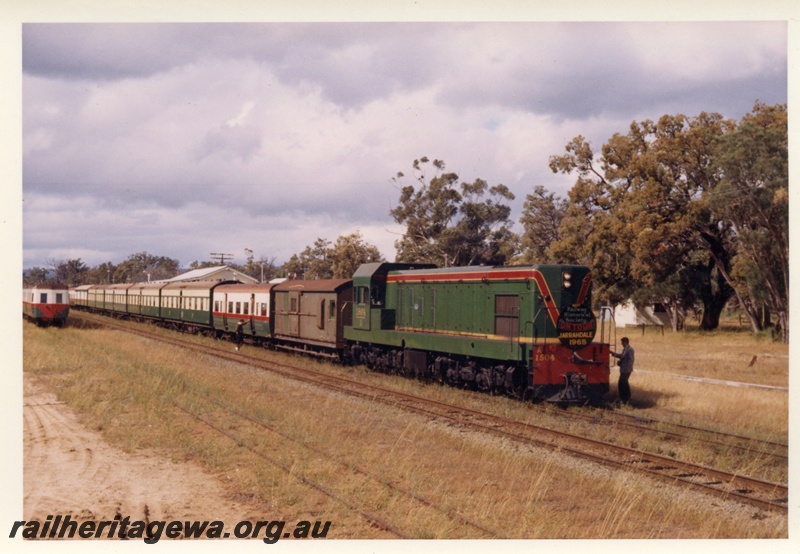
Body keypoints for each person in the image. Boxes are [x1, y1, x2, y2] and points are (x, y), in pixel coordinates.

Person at [611, 337, 634, 404]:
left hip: (626, 370)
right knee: (622, 383)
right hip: (623, 369)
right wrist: (613, 353)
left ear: (625, 342)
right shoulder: (625, 349)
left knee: (623, 383)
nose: (621, 344)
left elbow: (631, 361)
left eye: (622, 342)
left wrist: (626, 369)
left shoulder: (630, 350)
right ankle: (624, 398)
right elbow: (621, 356)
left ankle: (626, 398)